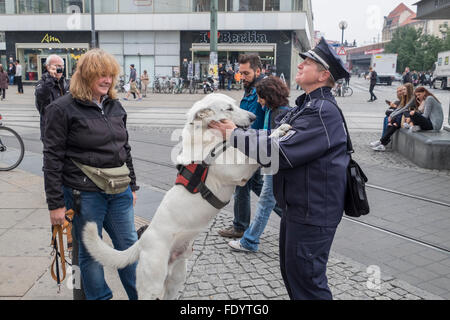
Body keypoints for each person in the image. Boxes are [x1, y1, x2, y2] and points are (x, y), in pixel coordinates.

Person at [210, 37, 350, 300]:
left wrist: (233, 135)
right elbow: (272, 137)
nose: (300, 65)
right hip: (299, 208)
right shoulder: (308, 105)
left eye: (308, 62)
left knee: (308, 284)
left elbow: (276, 152)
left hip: (313, 212)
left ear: (323, 75)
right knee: (294, 275)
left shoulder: (321, 112)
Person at [43, 49, 139, 300]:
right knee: (90, 253)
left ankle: (143, 296)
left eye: (110, 75)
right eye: (101, 75)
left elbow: (124, 148)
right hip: (84, 194)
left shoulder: (115, 105)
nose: (107, 80)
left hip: (119, 192)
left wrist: (133, 186)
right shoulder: (61, 109)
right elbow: (52, 158)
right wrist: (55, 204)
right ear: (85, 76)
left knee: (129, 249)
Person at [218, 54, 283, 239]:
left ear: (258, 71)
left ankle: (240, 227)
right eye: (241, 73)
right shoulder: (249, 89)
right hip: (249, 144)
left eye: (246, 73)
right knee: (257, 186)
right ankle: (287, 214)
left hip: (252, 145)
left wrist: (238, 140)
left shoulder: (260, 92)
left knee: (243, 186)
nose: (242, 77)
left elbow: (253, 122)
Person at [228, 76, 290, 253]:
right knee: (270, 201)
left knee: (265, 202)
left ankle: (250, 241)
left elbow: (272, 139)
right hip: (271, 162)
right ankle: (298, 226)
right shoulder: (272, 110)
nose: (259, 101)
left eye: (261, 97)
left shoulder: (281, 113)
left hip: (275, 164)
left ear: (269, 96)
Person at [370, 83, 415, 151]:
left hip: (410, 116)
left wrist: (392, 115)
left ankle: (381, 142)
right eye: (402, 90)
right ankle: (382, 143)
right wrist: (392, 115)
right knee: (391, 122)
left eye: (404, 89)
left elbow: (404, 108)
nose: (403, 91)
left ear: (409, 90)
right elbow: (399, 108)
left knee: (395, 121)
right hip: (404, 115)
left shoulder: (412, 98)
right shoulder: (404, 97)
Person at [35, 55, 70, 139]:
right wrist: (50, 79)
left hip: (67, 129)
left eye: (61, 66)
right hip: (50, 131)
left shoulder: (67, 83)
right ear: (48, 67)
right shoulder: (42, 83)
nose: (60, 69)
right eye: (56, 66)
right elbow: (41, 96)